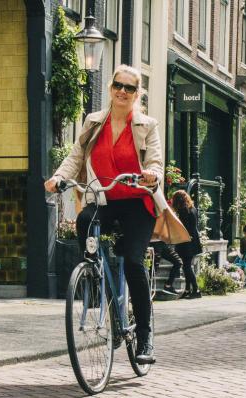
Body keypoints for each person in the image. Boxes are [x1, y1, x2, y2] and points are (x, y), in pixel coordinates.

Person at [44, 64, 161, 365]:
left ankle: (145, 336)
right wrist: (58, 178)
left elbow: (156, 161)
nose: (123, 91)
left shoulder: (147, 125)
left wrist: (151, 174)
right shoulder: (94, 122)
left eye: (130, 88)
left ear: (137, 94)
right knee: (84, 219)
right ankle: (95, 277)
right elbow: (76, 156)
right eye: (118, 86)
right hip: (106, 197)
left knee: (133, 261)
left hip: (138, 202)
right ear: (110, 88)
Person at [171, 190, 203, 299]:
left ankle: (196, 290)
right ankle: (188, 290)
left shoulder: (184, 211)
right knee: (186, 266)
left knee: (187, 267)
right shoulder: (192, 209)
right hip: (192, 241)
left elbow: (184, 228)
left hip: (187, 242)